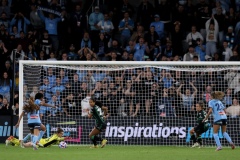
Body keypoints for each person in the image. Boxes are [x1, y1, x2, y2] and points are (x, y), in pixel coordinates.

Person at [5, 128, 70, 148]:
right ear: (58, 133)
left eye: (62, 134)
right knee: (28, 144)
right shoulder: (56, 137)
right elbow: (60, 139)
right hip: (41, 143)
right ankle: (13, 139)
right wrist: (66, 138)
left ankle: (14, 141)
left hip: (42, 140)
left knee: (26, 143)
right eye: (61, 134)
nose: (62, 135)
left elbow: (59, 141)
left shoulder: (55, 135)